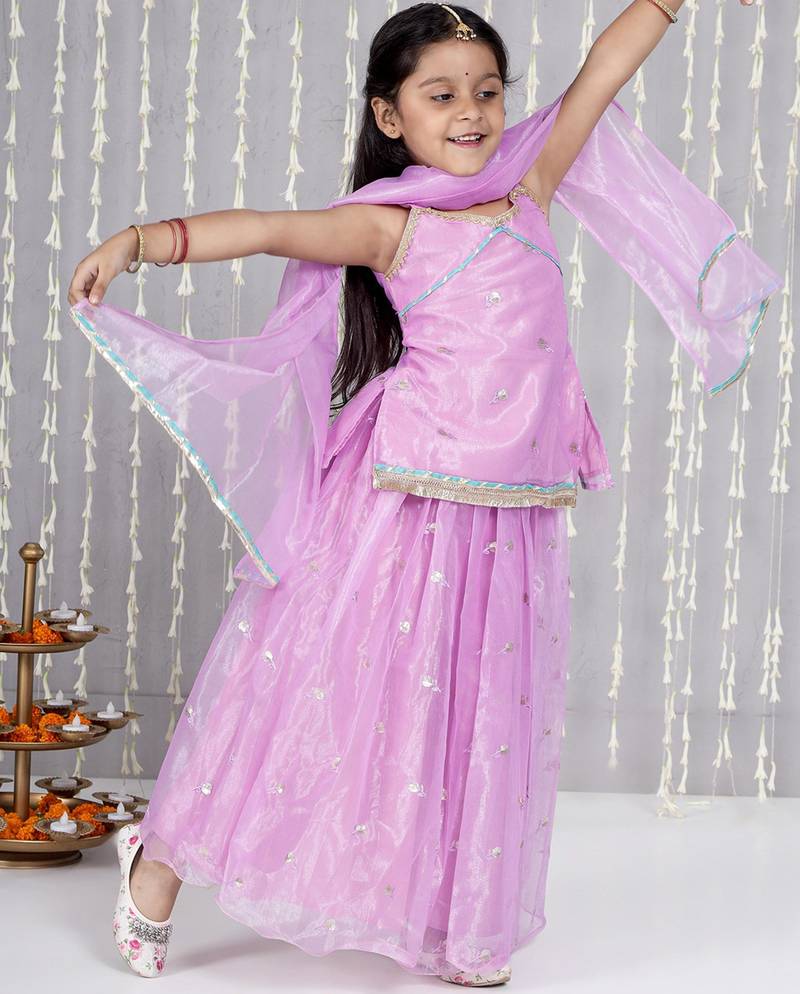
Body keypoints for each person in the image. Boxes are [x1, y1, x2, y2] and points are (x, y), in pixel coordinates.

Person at [67, 1, 772, 986]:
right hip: (397, 501)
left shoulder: (529, 185)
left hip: (505, 512)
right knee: (304, 687)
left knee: (469, 714)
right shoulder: (392, 226)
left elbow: (602, 71)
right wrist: (141, 241)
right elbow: (269, 227)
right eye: (440, 95)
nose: (471, 112)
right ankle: (160, 861)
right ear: (390, 115)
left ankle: (457, 924)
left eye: (486, 91)